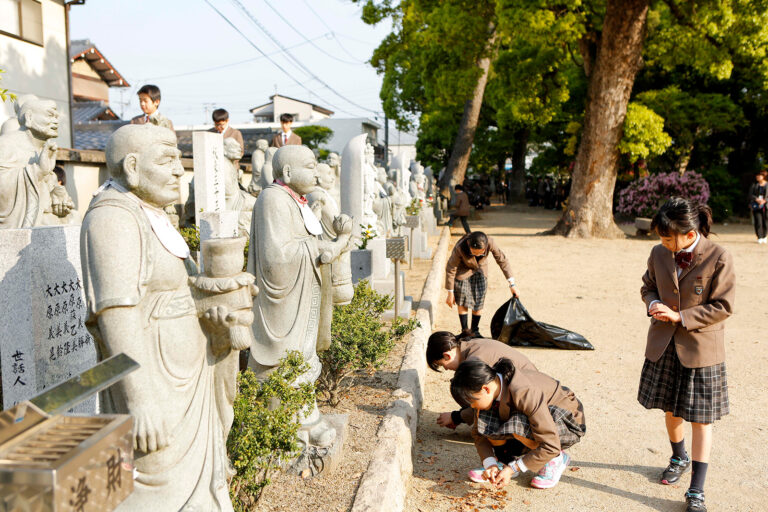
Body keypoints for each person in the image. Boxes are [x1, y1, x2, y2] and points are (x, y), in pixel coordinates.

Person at [639, 197, 735, 512]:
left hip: (700, 350)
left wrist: (681, 317)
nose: (664, 244)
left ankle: (697, 490)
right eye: (661, 238)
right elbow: (648, 286)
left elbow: (724, 306)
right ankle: (678, 455)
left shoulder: (719, 256)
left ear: (689, 232)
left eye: (668, 238)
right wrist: (652, 303)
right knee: (671, 408)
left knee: (701, 421)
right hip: (664, 344)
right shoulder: (658, 253)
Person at [450, 358, 586, 490]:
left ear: (485, 389)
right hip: (537, 418)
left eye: (472, 402)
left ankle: (555, 459)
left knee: (518, 424)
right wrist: (490, 464)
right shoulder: (493, 386)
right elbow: (478, 434)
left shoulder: (524, 392)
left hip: (566, 422)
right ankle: (505, 459)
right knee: (486, 417)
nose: (472, 406)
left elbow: (551, 444)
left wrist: (514, 468)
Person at [445, 231, 517, 339]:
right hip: (463, 270)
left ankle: (474, 331)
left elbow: (502, 260)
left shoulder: (490, 242)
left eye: (480, 253)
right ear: (469, 245)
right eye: (474, 253)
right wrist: (450, 292)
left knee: (479, 298)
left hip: (480, 269)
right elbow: (451, 268)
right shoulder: (460, 247)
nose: (477, 255)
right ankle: (465, 331)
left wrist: (512, 284)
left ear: (485, 247)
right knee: (462, 299)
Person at [748, 169, 767, 244]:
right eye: (757, 176)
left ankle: (764, 236)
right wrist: (757, 199)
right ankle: (759, 236)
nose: (757, 177)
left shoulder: (767, 185)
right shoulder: (754, 185)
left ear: (763, 176)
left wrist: (764, 200)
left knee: (765, 222)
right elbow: (750, 195)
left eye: (759, 176)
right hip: (756, 206)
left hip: (766, 206)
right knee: (758, 221)